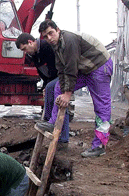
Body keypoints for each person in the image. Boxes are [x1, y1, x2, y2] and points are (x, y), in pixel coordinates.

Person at [36, 19, 113, 158]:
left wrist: (68, 94)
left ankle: (99, 146)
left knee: (101, 106)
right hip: (86, 69)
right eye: (45, 36)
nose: (49, 38)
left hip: (99, 66)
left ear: (57, 30)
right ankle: (53, 122)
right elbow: (61, 69)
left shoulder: (69, 40)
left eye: (50, 33)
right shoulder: (56, 45)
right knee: (58, 86)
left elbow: (71, 69)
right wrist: (64, 90)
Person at [16, 32, 68, 150]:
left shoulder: (46, 47)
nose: (25, 52)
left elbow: (55, 67)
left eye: (24, 48)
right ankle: (60, 134)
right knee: (58, 103)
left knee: (58, 101)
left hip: (61, 76)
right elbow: (44, 72)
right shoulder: (34, 54)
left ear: (30, 42)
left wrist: (49, 85)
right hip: (51, 79)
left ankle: (53, 127)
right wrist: (45, 85)